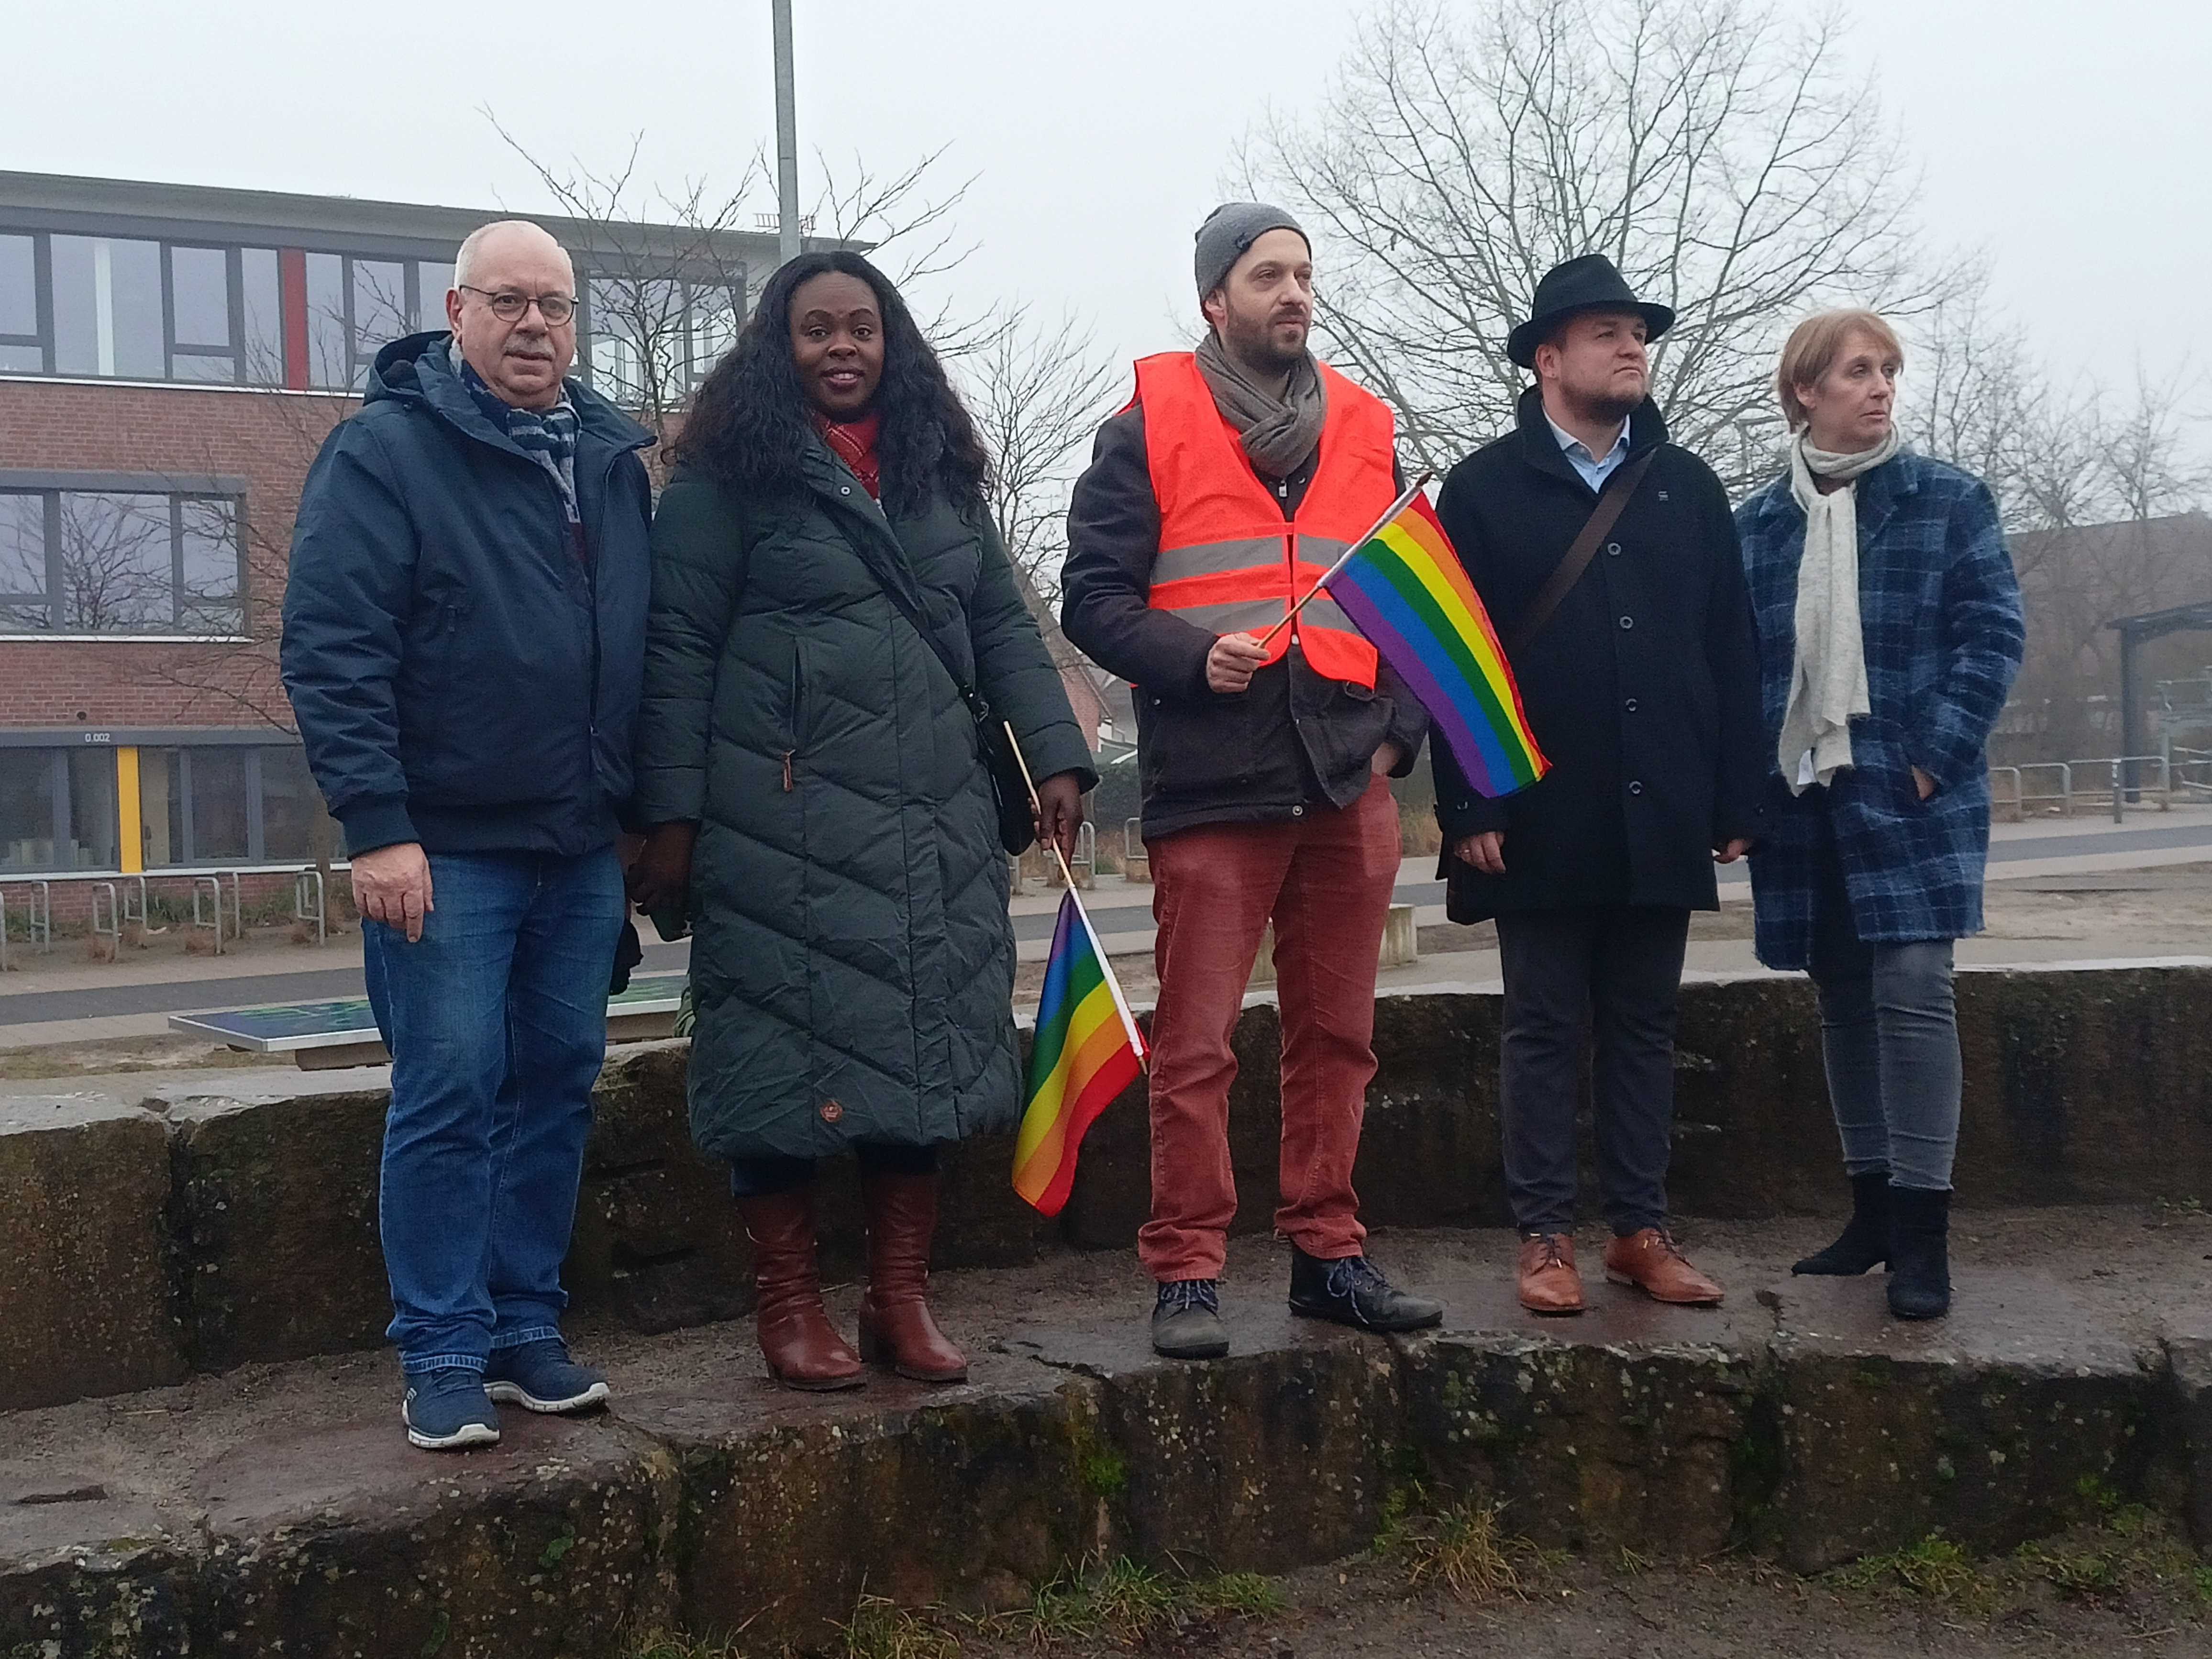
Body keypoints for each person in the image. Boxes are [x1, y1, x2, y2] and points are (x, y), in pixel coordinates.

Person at [625, 251, 1095, 1392]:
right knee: (773, 1067)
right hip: (773, 822)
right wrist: (670, 820)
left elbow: (1000, 628)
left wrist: (1060, 762)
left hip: (932, 818)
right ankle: (788, 1309)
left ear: (894, 345)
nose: (842, 347)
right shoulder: (719, 481)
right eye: (816, 329)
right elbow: (675, 656)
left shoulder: (938, 476)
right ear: (775, 349)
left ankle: (898, 1301)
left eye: (862, 328)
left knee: (920, 1058)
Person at [282, 221, 652, 1449]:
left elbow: (633, 653)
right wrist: (377, 827)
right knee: (448, 1096)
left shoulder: (607, 459)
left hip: (579, 845)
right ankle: (438, 1348)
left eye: (554, 305)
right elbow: (334, 651)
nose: (535, 325)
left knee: (554, 1091)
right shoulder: (384, 454)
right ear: (456, 312)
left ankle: (520, 1331)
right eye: (508, 302)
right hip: (443, 850)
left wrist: (635, 816)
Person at [1062, 202, 1442, 1361]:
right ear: (1213, 300)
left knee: (1337, 1036)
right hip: (1213, 782)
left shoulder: (1369, 426)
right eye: (1266, 275)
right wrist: (1189, 659)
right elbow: (1091, 596)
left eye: (1304, 275)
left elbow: (1421, 598)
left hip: (1343, 781)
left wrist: (1395, 735)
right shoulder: (1146, 425)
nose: (1292, 293)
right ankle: (1186, 1270)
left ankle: (1328, 1255)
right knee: (1195, 1044)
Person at [1431, 254, 1764, 1316]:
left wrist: (1731, 794)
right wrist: (1470, 803)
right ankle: (1542, 1239)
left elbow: (1730, 647)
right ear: (1546, 358)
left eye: (1637, 332)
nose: (1631, 348)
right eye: (1604, 331)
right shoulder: (1479, 489)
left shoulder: (1687, 485)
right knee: (1538, 1025)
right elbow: (1452, 657)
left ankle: (1637, 1229)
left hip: (1660, 800)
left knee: (1642, 1025)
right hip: (1535, 808)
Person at [1736, 310, 2024, 1321]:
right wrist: (1743, 794)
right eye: (1857, 371)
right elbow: (1743, 674)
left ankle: (1921, 1236)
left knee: (1912, 985)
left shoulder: (1945, 500)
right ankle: (1867, 1213)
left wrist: (1928, 758)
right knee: (1841, 995)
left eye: (1888, 372)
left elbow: (1989, 636)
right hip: (1803, 793)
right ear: (1804, 391)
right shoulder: (1757, 526)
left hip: (1908, 788)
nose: (1879, 388)